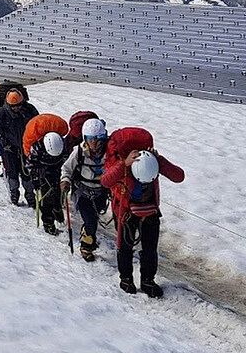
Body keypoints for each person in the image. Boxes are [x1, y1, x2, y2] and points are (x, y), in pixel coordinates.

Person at [101, 127, 185, 298]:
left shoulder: (151, 160)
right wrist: (123, 164)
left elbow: (178, 176)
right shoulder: (121, 163)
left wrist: (159, 160)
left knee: (148, 249)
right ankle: (128, 279)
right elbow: (106, 181)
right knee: (127, 247)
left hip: (146, 211)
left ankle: (145, 280)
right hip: (128, 211)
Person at [60, 115, 110, 262]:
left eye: (97, 138)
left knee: (93, 218)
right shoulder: (79, 152)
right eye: (90, 138)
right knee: (90, 221)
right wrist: (65, 181)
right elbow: (67, 168)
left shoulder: (109, 152)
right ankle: (86, 247)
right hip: (82, 193)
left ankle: (87, 234)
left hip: (101, 192)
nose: (94, 142)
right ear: (85, 138)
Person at [0, 84, 38, 206]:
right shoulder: (2, 113)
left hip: (26, 148)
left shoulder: (29, 110)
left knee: (27, 174)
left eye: (19, 105)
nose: (16, 108)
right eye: (13, 106)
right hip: (9, 149)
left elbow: (38, 125)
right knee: (12, 173)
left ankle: (30, 195)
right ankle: (14, 194)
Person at [23, 113, 70, 235]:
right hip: (43, 174)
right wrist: (36, 181)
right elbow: (30, 165)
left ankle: (57, 209)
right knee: (46, 199)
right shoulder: (37, 148)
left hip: (58, 171)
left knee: (58, 193)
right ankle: (48, 224)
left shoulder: (62, 145)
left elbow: (66, 160)